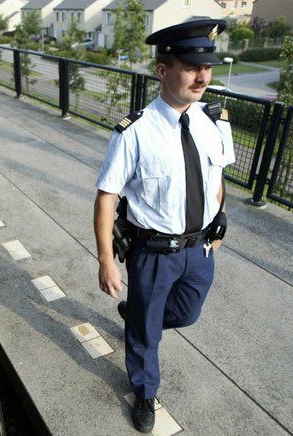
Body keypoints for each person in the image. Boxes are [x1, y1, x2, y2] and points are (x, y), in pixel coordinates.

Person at [93, 20, 235, 433]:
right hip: (153, 253)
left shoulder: (213, 120)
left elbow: (217, 177)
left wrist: (220, 216)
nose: (203, 76)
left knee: (186, 314)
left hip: (200, 250)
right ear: (163, 70)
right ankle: (144, 390)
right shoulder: (135, 132)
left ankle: (137, 316)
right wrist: (106, 260)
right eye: (191, 66)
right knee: (146, 337)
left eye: (206, 66)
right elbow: (106, 197)